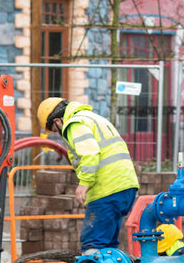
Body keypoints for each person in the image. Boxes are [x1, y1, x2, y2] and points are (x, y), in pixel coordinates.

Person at [36, 97, 139, 252]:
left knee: (93, 244)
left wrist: (83, 184)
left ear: (57, 120)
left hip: (106, 189)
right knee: (108, 244)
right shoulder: (93, 118)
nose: (58, 133)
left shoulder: (74, 124)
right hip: (125, 187)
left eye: (55, 129)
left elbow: (90, 153)